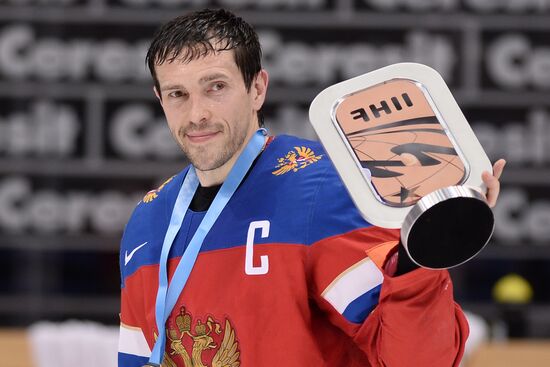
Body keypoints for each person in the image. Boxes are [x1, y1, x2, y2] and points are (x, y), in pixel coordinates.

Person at [118, 8, 506, 367]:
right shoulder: (148, 222)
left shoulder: (319, 190)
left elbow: (418, 360)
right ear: (159, 99)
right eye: (177, 94)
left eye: (215, 86)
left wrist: (421, 254)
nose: (197, 113)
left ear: (257, 89)